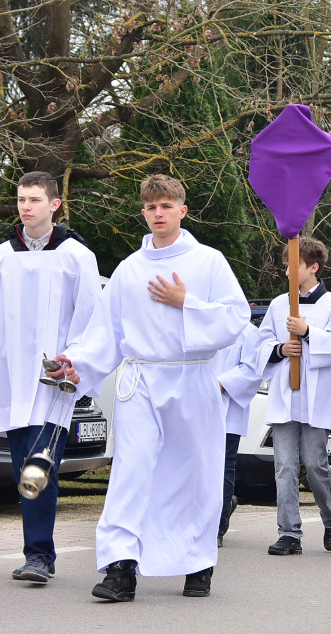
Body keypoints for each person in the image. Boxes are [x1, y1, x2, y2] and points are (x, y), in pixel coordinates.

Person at [51, 174, 250, 601]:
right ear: (143, 212)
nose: (158, 214)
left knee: (195, 472)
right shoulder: (130, 268)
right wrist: (77, 363)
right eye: (150, 207)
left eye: (166, 206)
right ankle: (120, 569)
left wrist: (187, 303)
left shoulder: (210, 262)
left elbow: (236, 321)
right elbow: (107, 332)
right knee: (130, 471)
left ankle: (197, 564)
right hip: (140, 379)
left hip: (193, 377)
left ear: (183, 210)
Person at [0, 171, 100, 584]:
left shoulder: (76, 256)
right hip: (12, 381)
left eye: (34, 199)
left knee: (39, 466)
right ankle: (37, 552)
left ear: (55, 205)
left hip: (54, 384)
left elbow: (92, 320)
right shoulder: (2, 257)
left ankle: (39, 556)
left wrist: (77, 361)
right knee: (22, 470)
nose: (25, 207)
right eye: (20, 200)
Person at [256, 236, 331, 556]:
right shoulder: (278, 304)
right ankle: (289, 533)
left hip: (316, 396)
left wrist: (308, 332)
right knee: (284, 466)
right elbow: (261, 344)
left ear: (313, 267)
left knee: (315, 464)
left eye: (292, 266)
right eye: (285, 266)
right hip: (286, 394)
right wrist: (281, 349)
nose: (286, 272)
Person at [212, 321, 262, 546]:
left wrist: (221, 384)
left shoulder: (249, 332)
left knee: (223, 467)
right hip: (196, 408)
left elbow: (252, 370)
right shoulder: (200, 324)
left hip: (228, 410)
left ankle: (218, 527)